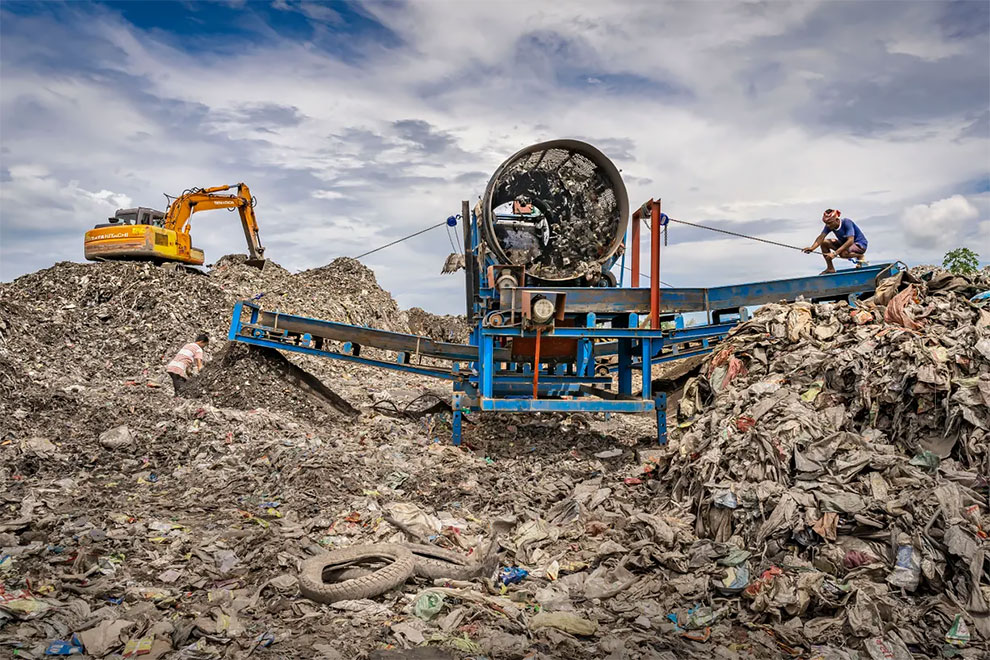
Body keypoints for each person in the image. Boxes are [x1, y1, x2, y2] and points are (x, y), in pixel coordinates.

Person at [803, 209, 868, 273]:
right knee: (824, 242)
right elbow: (821, 237)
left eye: (829, 223)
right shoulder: (829, 226)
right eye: (826, 223)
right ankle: (830, 268)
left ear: (837, 220)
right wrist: (812, 248)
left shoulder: (846, 222)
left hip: (859, 245)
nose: (828, 225)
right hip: (845, 245)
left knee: (843, 253)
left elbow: (850, 240)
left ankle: (859, 256)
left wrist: (835, 253)